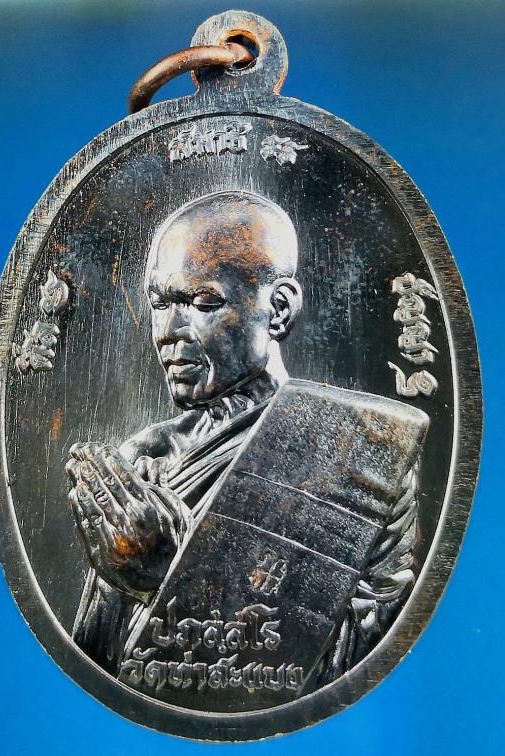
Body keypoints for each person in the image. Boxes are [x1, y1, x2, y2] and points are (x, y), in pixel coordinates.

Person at [67, 190, 425, 686]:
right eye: (159, 303)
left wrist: (174, 573)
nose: (168, 330)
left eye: (202, 302)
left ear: (278, 309)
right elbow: (100, 669)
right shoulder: (144, 463)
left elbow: (358, 660)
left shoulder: (364, 450)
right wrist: (120, 579)